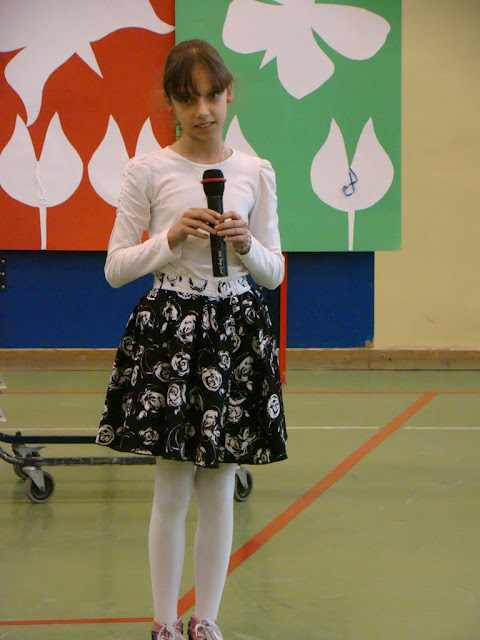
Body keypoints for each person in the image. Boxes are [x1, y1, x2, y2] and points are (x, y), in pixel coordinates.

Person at [96, 39, 287, 640]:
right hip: (172, 331)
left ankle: (206, 620)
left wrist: (245, 244)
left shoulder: (255, 171)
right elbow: (116, 267)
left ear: (229, 95)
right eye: (188, 99)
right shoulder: (148, 170)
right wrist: (172, 238)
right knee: (173, 483)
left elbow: (274, 272)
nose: (203, 110)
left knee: (221, 482)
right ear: (171, 104)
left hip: (235, 330)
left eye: (212, 95)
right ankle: (164, 622)